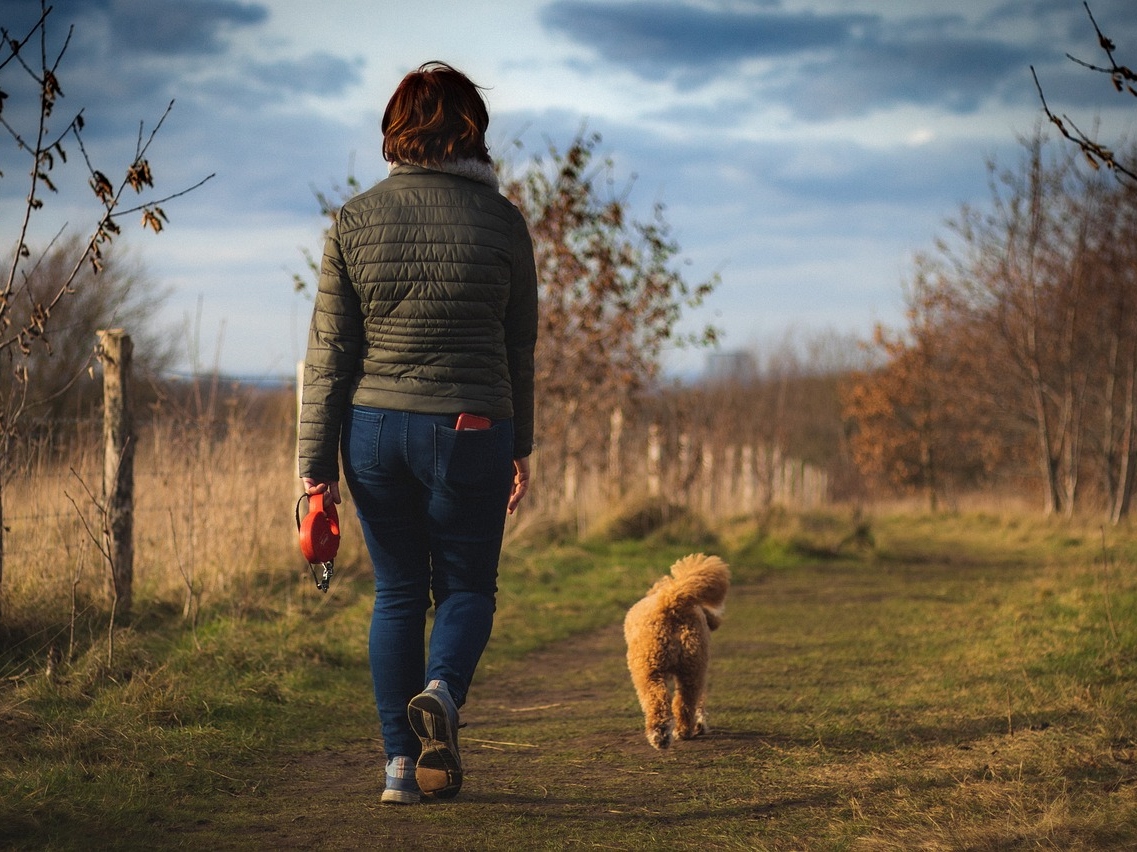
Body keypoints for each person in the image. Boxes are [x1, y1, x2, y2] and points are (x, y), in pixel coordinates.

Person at [298, 61, 538, 805]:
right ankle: (441, 689)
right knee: (466, 586)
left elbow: (329, 351)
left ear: (396, 132)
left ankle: (400, 768)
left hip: (371, 432)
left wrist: (314, 467)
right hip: (470, 427)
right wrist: (520, 443)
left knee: (397, 593)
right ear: (472, 132)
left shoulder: (354, 219)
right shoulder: (503, 222)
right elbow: (518, 344)